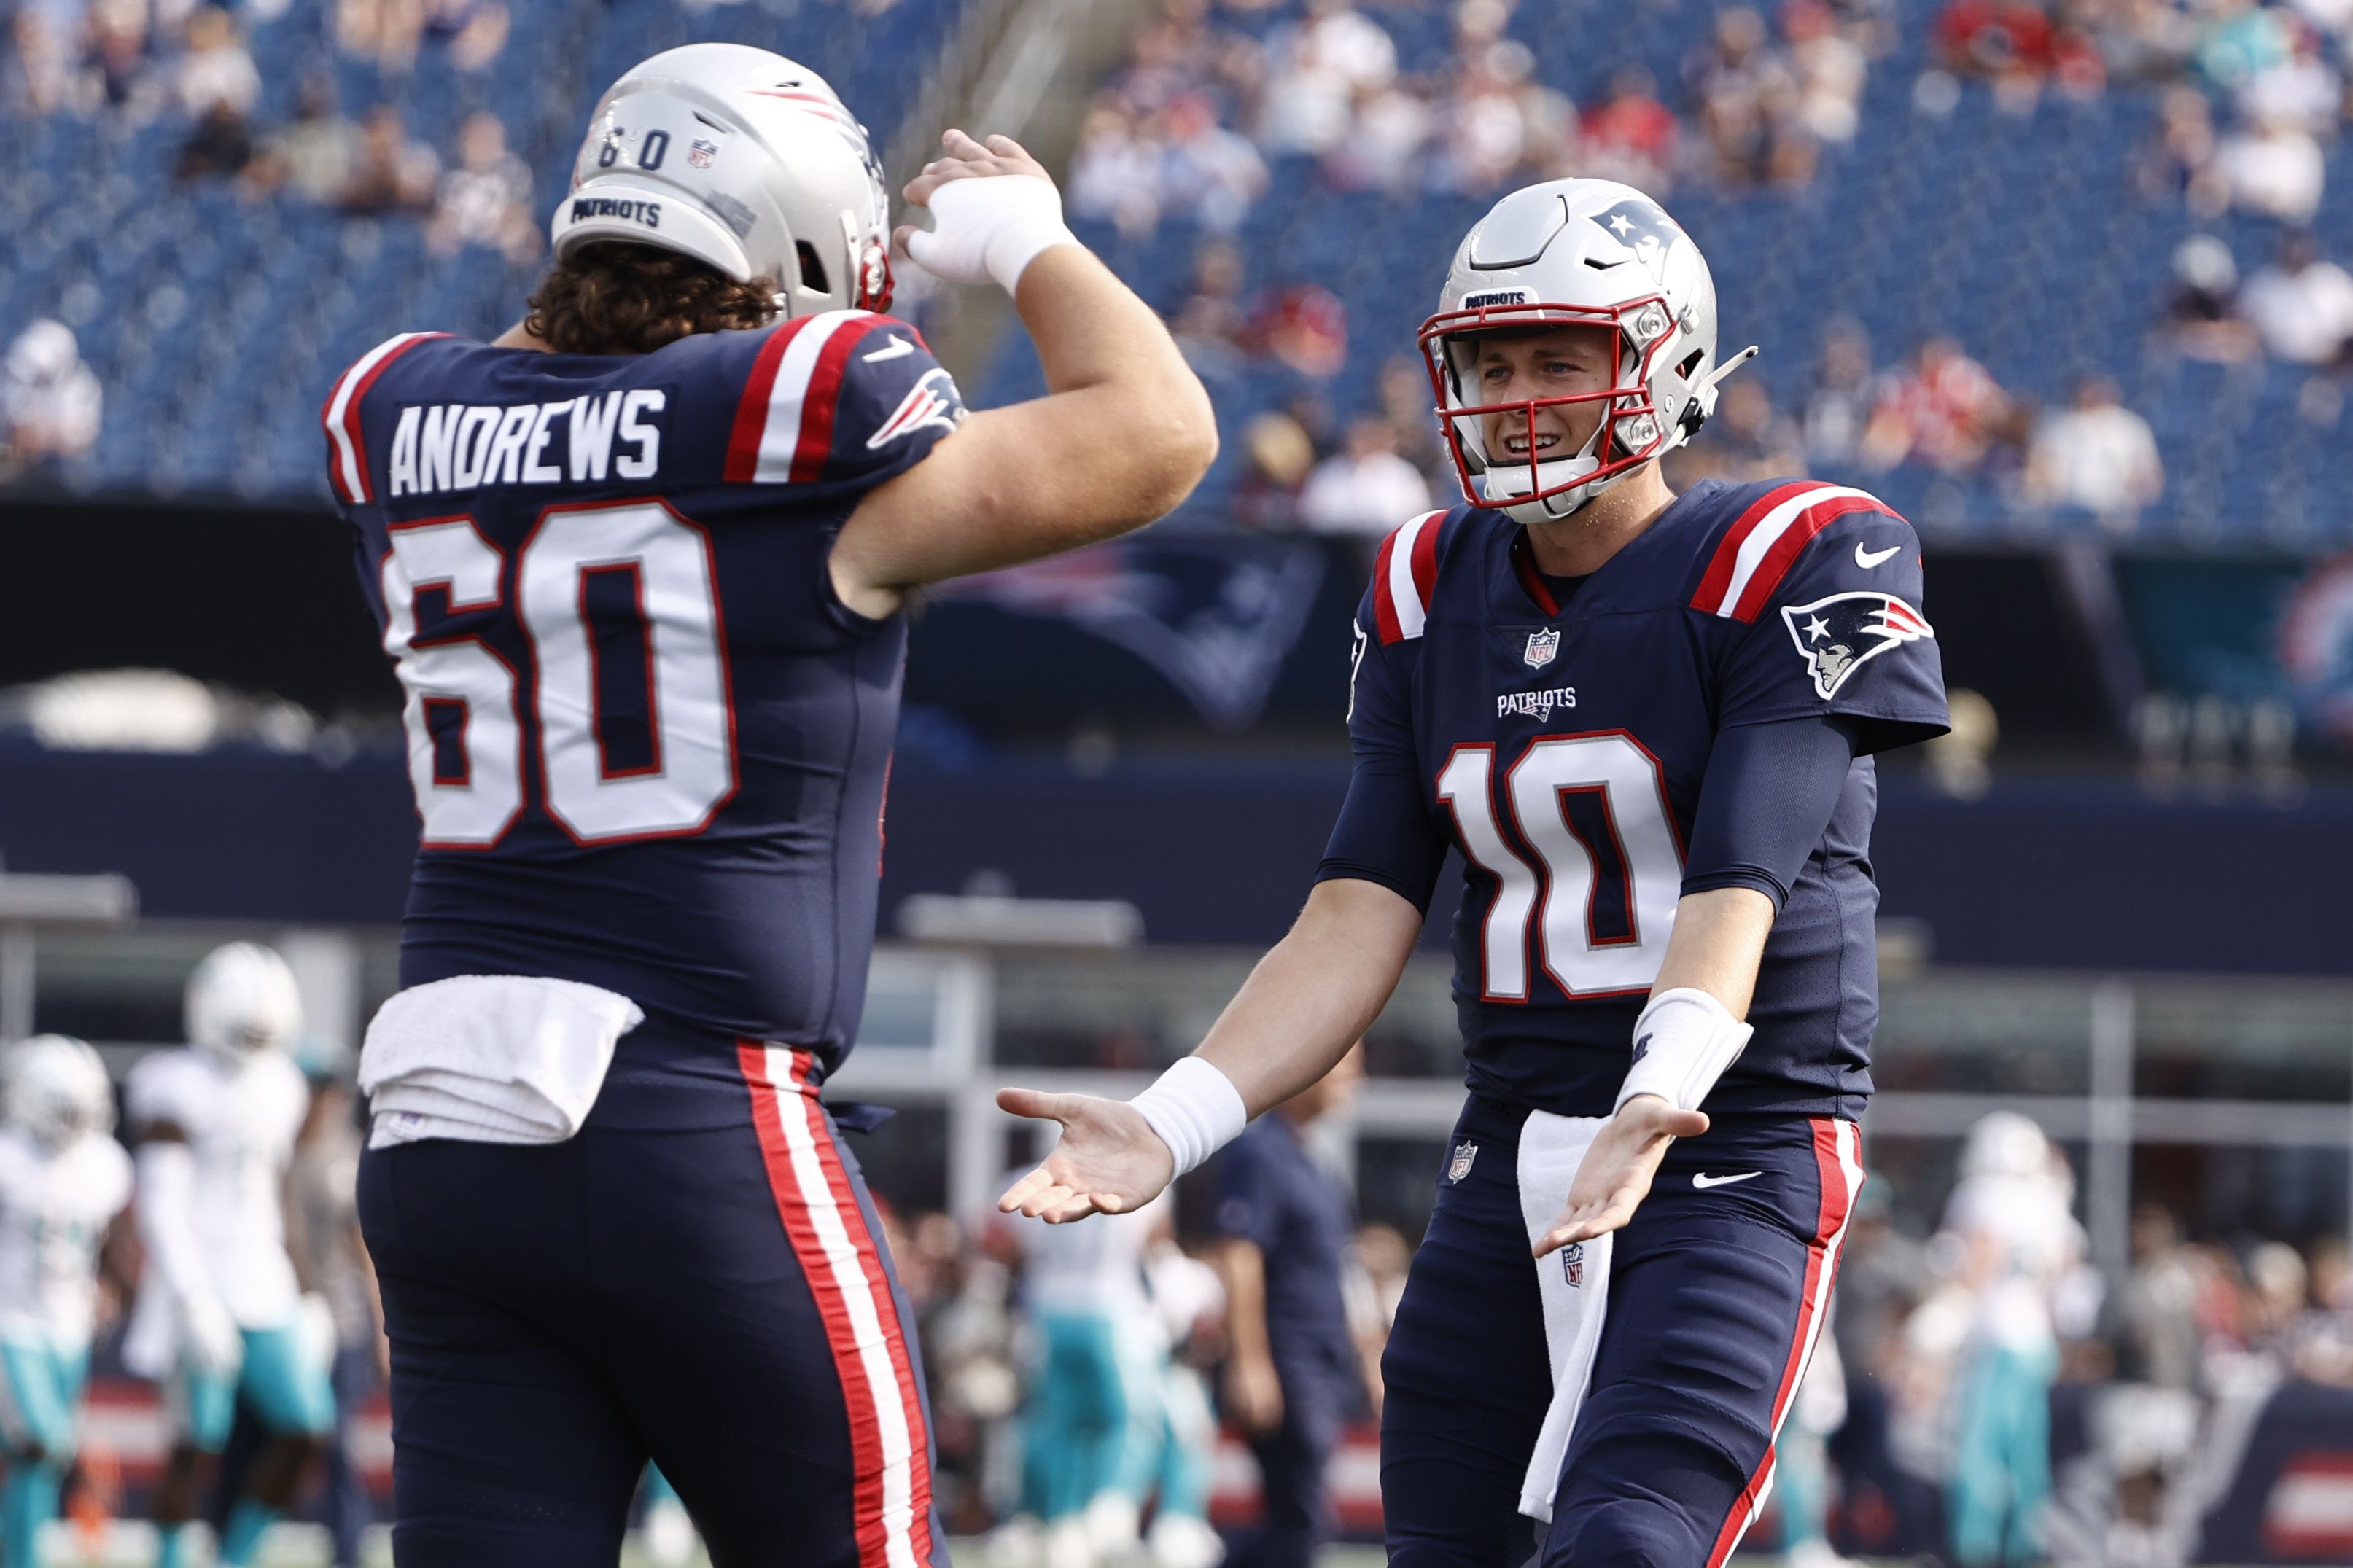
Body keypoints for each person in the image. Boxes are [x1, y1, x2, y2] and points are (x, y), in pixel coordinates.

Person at [327, 44, 1215, 1567]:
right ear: (799, 239)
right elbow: (1156, 432)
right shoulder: (797, 416)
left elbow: (549, 402)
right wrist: (1024, 237)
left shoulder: (403, 417)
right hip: (689, 1114)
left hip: (439, 1127)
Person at [997, 176, 1949, 1568]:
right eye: (1488, 361)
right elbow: (1353, 911)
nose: (1514, 395)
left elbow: (1739, 872)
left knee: (1627, 1541)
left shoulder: (1789, 552)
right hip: (1508, 1146)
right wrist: (1175, 1121)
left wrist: (1658, 1085)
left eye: (1559, 357)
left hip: (1722, 1141)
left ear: (1664, 362)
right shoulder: (1428, 585)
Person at [125, 943, 336, 1568]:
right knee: (196, 1443)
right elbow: (161, 1205)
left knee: (306, 1427)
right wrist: (192, 1299)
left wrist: (308, 1292)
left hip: (262, 1276)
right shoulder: (174, 1083)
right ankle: (169, 1559)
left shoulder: (283, 1084)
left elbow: (277, 1194)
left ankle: (234, 1559)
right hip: (199, 1277)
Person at [1211, 1048, 1364, 1568]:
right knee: (1300, 1518)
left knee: (1296, 1519)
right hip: (1285, 1359)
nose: (1354, 1078)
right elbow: (1239, 1255)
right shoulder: (1261, 1153)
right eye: (1345, 1064)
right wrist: (1249, 1362)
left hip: (1320, 1362)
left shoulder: (1313, 1161)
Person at [0, 1035, 133, 1568]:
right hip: (10, 1319)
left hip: (67, 1323)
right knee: (43, 1439)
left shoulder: (103, 1162)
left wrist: (110, 1286)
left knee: (33, 1457)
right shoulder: (8, 1157)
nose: (73, 1121)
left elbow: (111, 1235)